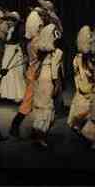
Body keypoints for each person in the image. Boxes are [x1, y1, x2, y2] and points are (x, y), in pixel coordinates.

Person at [9, 6, 47, 138]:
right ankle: (18, 127)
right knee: (30, 102)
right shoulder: (37, 42)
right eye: (41, 25)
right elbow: (40, 59)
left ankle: (33, 130)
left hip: (34, 74)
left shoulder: (32, 42)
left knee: (32, 102)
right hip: (36, 75)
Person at [27, 18, 63, 148]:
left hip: (40, 79)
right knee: (48, 107)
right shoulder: (57, 53)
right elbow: (55, 70)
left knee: (40, 106)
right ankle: (41, 136)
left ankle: (37, 132)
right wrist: (57, 84)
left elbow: (37, 69)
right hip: (48, 80)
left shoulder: (41, 52)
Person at [68, 25, 95, 137]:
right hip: (87, 85)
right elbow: (90, 73)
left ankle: (77, 124)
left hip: (80, 84)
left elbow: (76, 73)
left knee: (80, 100)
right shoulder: (89, 59)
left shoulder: (76, 57)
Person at [0, 11, 27, 103]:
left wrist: (24, 53)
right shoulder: (10, 30)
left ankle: (19, 95)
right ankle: (10, 94)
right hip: (8, 51)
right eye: (8, 20)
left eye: (11, 20)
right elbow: (6, 40)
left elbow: (21, 41)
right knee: (7, 72)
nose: (9, 22)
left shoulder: (19, 29)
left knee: (16, 72)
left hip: (15, 51)